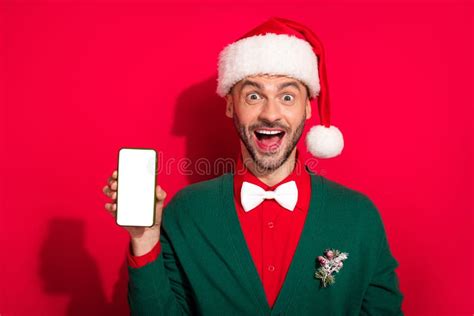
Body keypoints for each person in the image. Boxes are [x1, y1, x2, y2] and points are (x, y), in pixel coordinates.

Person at [102, 17, 404, 315]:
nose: (270, 114)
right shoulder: (186, 211)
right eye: (254, 95)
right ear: (231, 104)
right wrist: (145, 238)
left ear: (308, 107)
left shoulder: (358, 215)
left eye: (287, 96)